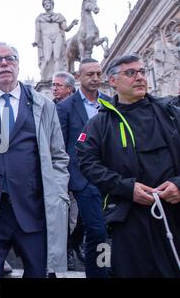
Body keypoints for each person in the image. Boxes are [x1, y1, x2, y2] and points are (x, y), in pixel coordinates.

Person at [0, 42, 70, 278]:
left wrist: (58, 194)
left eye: (10, 58)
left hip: (34, 208)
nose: (4, 64)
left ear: (18, 64)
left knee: (38, 272)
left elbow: (58, 156)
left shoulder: (43, 105)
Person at [76, 54, 180, 278]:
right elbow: (87, 163)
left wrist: (178, 185)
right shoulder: (99, 123)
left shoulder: (171, 113)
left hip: (174, 211)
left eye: (142, 72)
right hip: (128, 217)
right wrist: (126, 188)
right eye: (131, 73)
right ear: (113, 81)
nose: (140, 77)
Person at [56, 58, 110, 278]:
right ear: (78, 78)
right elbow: (59, 144)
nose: (96, 78)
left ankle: (86, 250)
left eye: (98, 74)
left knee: (103, 229)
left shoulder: (109, 103)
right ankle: (99, 274)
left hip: (110, 177)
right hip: (83, 178)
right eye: (90, 74)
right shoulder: (65, 108)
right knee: (97, 231)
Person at [32, 0, 78, 81]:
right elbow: (38, 31)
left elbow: (65, 28)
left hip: (58, 36)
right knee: (47, 58)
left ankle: (56, 78)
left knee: (57, 58)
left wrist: (72, 24)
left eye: (48, 3)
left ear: (52, 5)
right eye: (45, 4)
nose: (46, 5)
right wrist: (36, 41)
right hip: (46, 37)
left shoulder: (59, 16)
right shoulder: (40, 18)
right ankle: (43, 77)